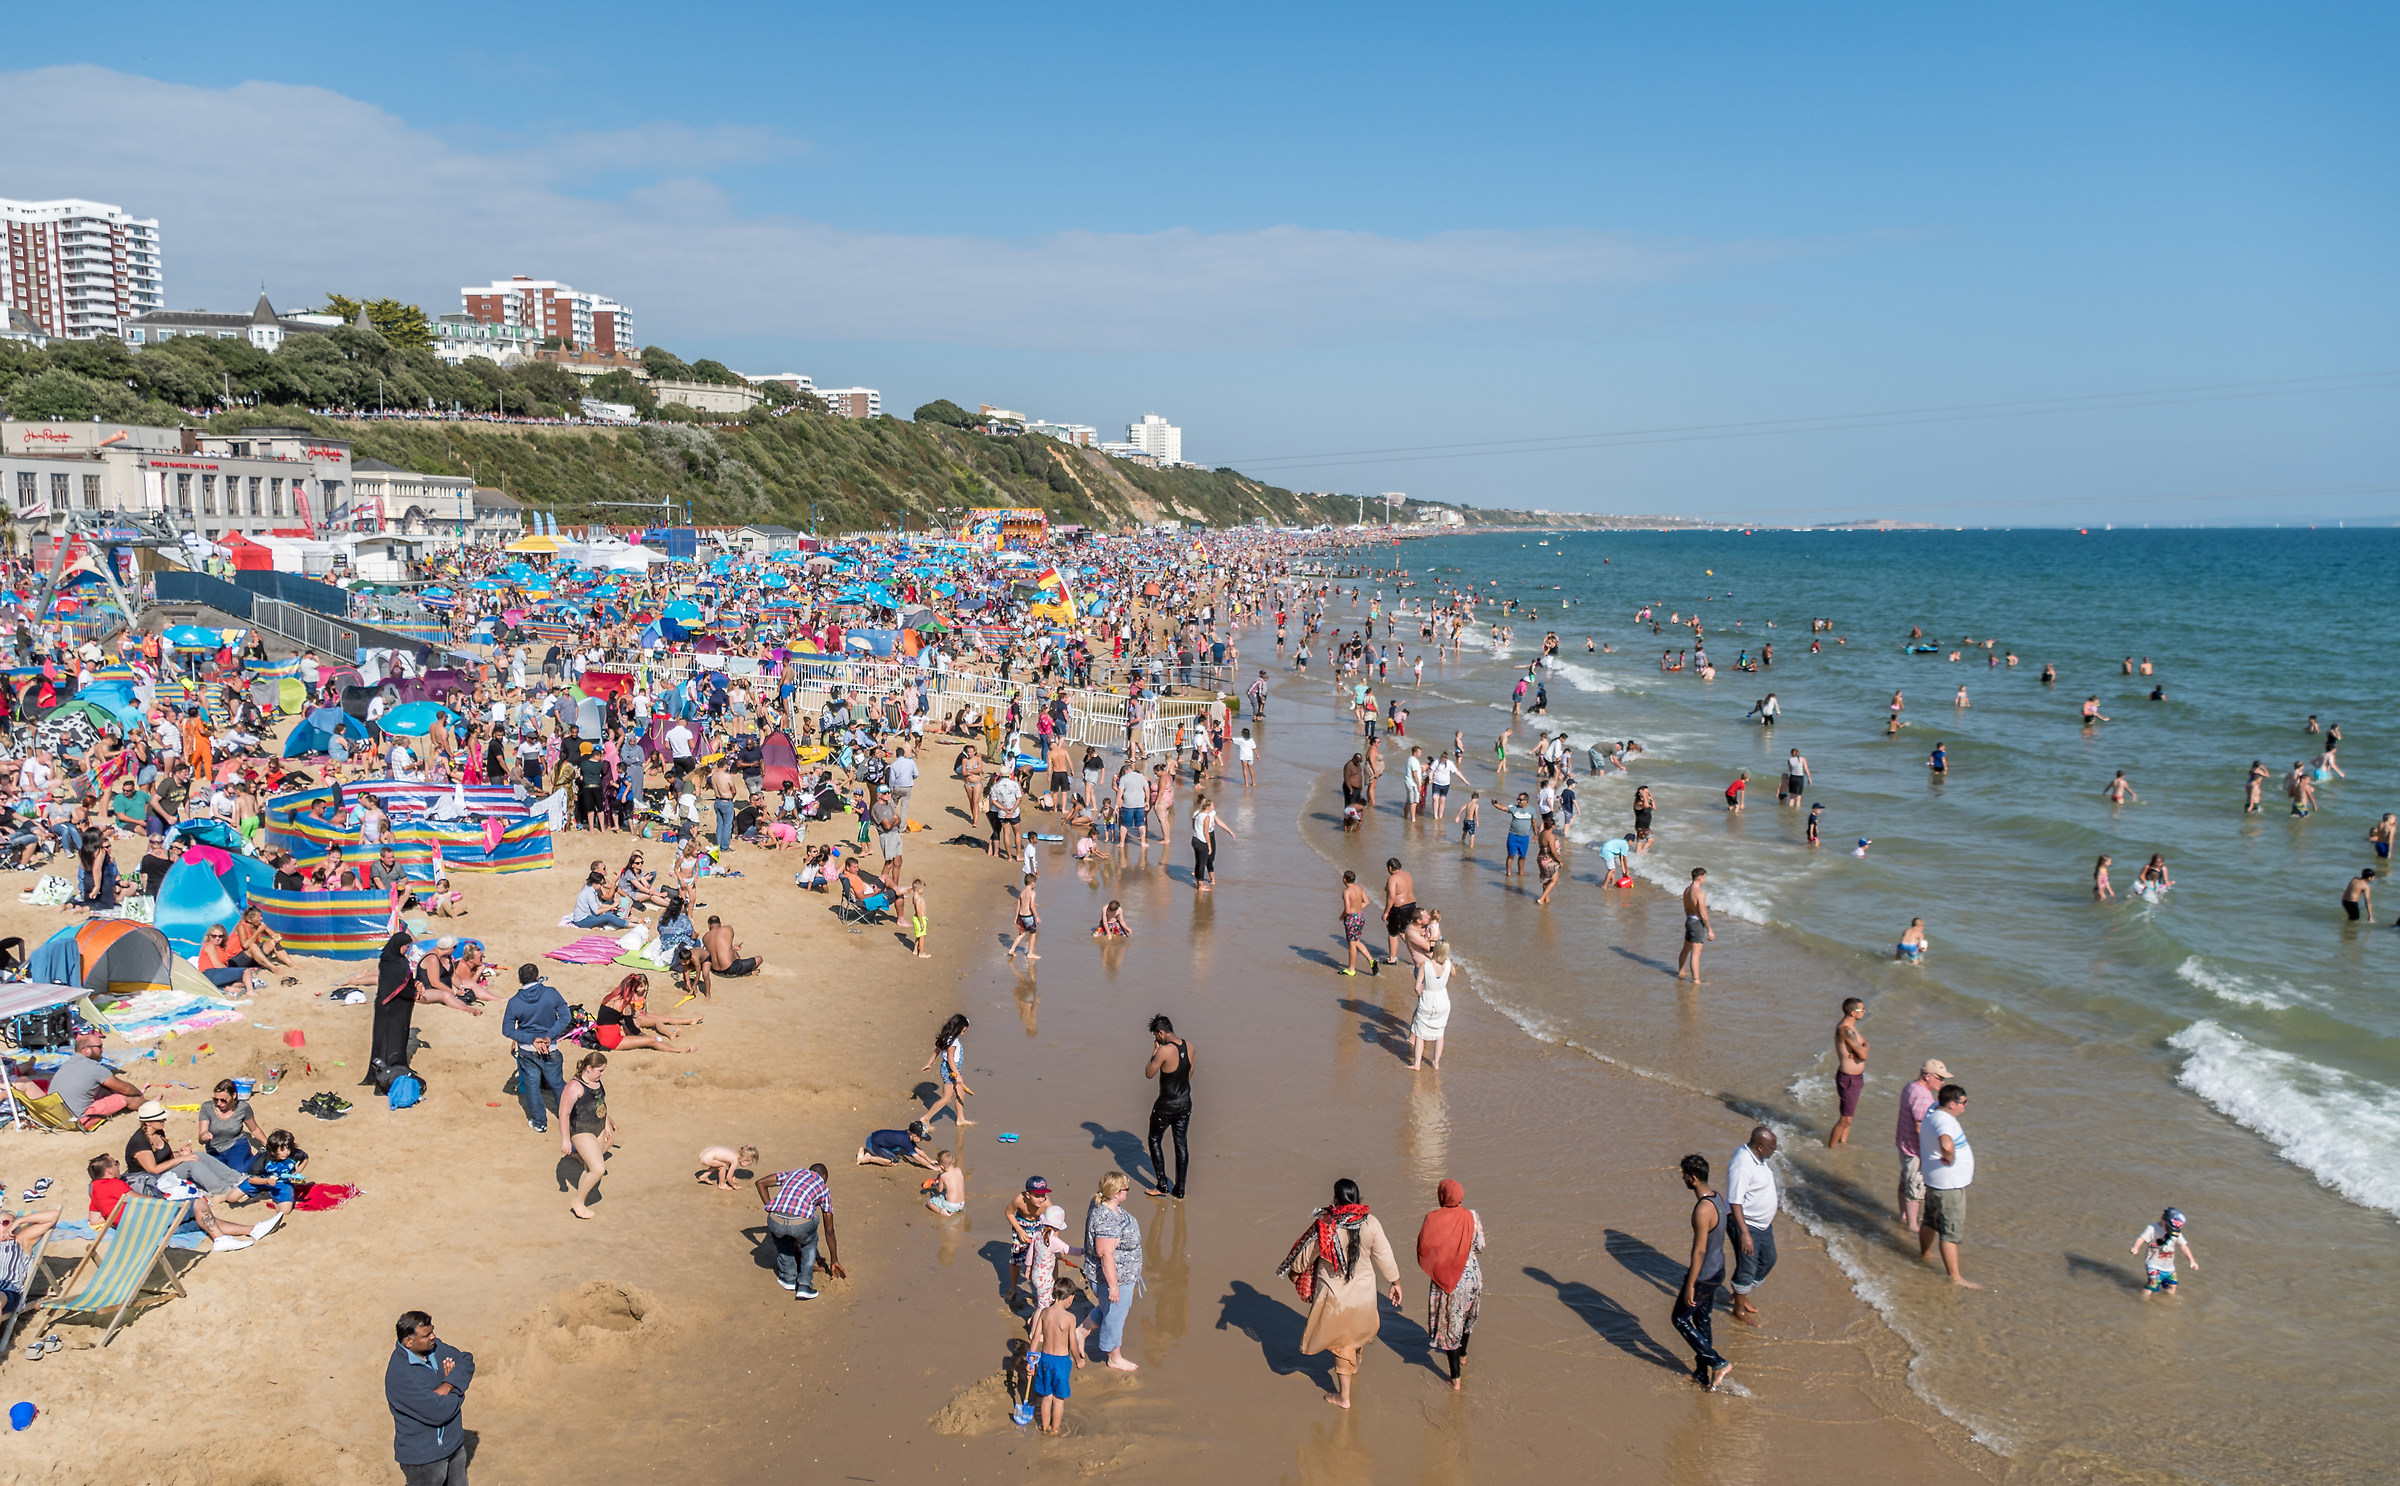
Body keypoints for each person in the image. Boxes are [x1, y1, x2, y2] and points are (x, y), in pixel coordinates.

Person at [1275, 1177, 1401, 1409]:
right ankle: (1355, 1360)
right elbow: (1384, 1254)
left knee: (1342, 1346)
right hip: (1364, 1295)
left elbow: (1306, 1254)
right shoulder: (1371, 1223)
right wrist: (1395, 1281)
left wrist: (1294, 1274)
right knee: (1356, 1334)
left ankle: (1343, 1397)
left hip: (1336, 1298)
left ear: (1336, 1199)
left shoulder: (1327, 1224)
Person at [387, 1310, 475, 1486]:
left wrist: (447, 1385)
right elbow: (439, 1411)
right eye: (427, 1335)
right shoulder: (401, 1376)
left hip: (454, 1447)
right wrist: (456, 1387)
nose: (433, 1336)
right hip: (423, 1459)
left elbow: (466, 1361)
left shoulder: (437, 1348)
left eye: (432, 1330)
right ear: (409, 1342)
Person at [1415, 1178, 1485, 1390]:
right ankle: (1463, 1356)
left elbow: (1424, 1249)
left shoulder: (1432, 1218)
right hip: (1472, 1276)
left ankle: (1455, 1379)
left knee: (1450, 1327)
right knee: (1466, 1318)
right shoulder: (1472, 1216)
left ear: (1441, 1196)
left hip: (1447, 1281)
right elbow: (1480, 1246)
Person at [1672, 1152, 1733, 1390]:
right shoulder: (1718, 1198)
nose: (1684, 1179)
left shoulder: (1702, 1210)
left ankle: (1718, 1362)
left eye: (1685, 1175)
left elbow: (1699, 1251)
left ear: (1694, 1178)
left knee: (1679, 1319)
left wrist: (1690, 1283)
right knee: (1702, 1319)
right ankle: (1701, 1373)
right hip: (1718, 1269)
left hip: (1704, 1275)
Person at [1077, 1171, 1145, 1372]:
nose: (1127, 1193)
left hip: (1123, 1274)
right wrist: (1114, 1286)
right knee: (1115, 1316)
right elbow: (1105, 1254)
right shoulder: (1106, 1219)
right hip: (1114, 1279)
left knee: (1109, 1309)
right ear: (1116, 1193)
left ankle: (1081, 1331)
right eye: (1126, 1189)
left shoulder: (1102, 1204)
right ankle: (1114, 1357)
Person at [1917, 1082, 1981, 1288]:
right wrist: (1950, 1157)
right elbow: (1946, 1143)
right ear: (1952, 1104)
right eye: (1964, 1102)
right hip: (1949, 1187)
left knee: (1930, 1221)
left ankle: (1925, 1254)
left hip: (1935, 1182)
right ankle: (1955, 1278)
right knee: (1949, 1232)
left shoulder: (1933, 1110)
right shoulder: (1945, 1122)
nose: (1966, 1106)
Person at [756, 1160, 843, 1298]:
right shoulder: (823, 1187)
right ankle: (804, 1284)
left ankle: (788, 1278)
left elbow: (760, 1183)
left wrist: (771, 1208)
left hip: (774, 1221)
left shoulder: (794, 1173)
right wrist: (834, 1260)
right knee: (809, 1241)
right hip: (799, 1225)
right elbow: (829, 1231)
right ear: (824, 1177)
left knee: (782, 1238)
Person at [502, 964, 571, 1133]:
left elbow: (507, 1030)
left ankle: (540, 1123)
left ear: (519, 980)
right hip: (550, 1048)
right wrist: (549, 1036)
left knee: (532, 1087)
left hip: (527, 1050)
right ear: (538, 976)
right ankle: (569, 1119)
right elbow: (565, 1017)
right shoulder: (551, 993)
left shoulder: (514, 1002)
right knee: (557, 1084)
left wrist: (532, 1040)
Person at [1725, 1125, 1779, 1325]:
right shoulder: (1742, 1164)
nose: (1774, 1151)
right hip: (1746, 1224)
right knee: (1747, 1266)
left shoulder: (1758, 1158)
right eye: (1772, 1148)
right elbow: (1735, 1201)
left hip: (1762, 1224)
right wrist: (1745, 1233)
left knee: (1769, 1259)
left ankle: (1741, 1291)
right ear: (1760, 1146)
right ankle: (1738, 1310)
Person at [1143, 1015, 1193, 1198]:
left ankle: (1162, 1185)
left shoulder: (1164, 1051)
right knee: (1181, 1144)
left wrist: (1155, 1052)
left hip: (1166, 1104)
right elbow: (1189, 1073)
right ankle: (1180, 1190)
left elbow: (1149, 1073)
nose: (1156, 1040)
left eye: (1156, 1036)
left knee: (1154, 1139)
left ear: (1161, 1032)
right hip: (1185, 1102)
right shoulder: (1189, 1046)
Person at [50, 1029, 146, 1124]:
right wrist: (139, 1093)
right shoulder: (94, 1068)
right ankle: (149, 1105)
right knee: (124, 1098)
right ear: (87, 1050)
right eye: (99, 1047)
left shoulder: (67, 1065)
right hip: (79, 1120)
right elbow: (126, 1089)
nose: (102, 1050)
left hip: (55, 1117)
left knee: (100, 1090)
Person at [560, 1052, 614, 1220]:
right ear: (588, 1068)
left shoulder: (596, 1082)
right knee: (598, 1169)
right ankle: (578, 1202)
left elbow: (600, 1103)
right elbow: (564, 1114)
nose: (602, 1074)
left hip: (597, 1129)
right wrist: (566, 1140)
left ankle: (582, 1196)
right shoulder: (574, 1087)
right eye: (600, 1070)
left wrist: (606, 1124)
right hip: (582, 1131)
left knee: (589, 1168)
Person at [594, 974, 697, 1053]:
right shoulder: (625, 1005)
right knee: (651, 1041)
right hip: (611, 1040)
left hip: (601, 1034)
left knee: (641, 1025)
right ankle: (680, 1050)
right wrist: (645, 1037)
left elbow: (608, 1019)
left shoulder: (610, 997)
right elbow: (632, 1028)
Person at [368, 929, 418, 1090]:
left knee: (398, 1038)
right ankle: (384, 1075)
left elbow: (407, 979)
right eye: (405, 947)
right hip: (388, 1008)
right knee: (384, 1041)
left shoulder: (400, 961)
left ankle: (398, 1068)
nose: (407, 950)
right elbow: (397, 986)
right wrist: (414, 993)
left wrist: (416, 984)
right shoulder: (389, 962)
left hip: (400, 1007)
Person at [1029, 1278, 1080, 1433]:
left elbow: (1036, 1337)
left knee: (1046, 1397)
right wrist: (1079, 1359)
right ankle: (1055, 1429)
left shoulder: (1045, 1313)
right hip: (1061, 1362)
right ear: (1070, 1298)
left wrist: (1031, 1360)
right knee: (1058, 1400)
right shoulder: (1070, 1318)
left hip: (1045, 1359)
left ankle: (1044, 1428)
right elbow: (1073, 1344)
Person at [196, 1078, 266, 1177]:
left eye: (223, 1100)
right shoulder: (207, 1108)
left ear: (233, 1096)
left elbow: (254, 1129)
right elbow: (201, 1136)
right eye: (216, 1099)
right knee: (218, 1177)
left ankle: (261, 1156)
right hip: (214, 1149)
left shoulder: (243, 1107)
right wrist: (204, 1136)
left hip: (236, 1144)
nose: (219, 1103)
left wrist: (269, 1144)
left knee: (237, 1174)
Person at [2131, 1206, 2198, 1299]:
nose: (2173, 1231)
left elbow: (2183, 1245)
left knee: (2173, 1285)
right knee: (2151, 1285)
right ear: (2163, 1219)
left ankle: (2168, 1300)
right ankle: (2143, 1301)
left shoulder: (2175, 1233)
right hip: (2153, 1264)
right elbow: (2141, 1238)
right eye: (2171, 1228)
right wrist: (2136, 1247)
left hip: (2169, 1266)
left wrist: (2192, 1260)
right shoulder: (2152, 1229)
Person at [921, 1013, 975, 1127]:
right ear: (957, 1029)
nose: (963, 1033)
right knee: (947, 1098)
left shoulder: (946, 1036)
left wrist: (929, 1064)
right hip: (951, 1071)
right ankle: (925, 1119)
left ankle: (960, 1119)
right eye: (963, 1031)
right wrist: (958, 1075)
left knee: (960, 1093)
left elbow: (936, 1051)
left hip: (952, 1069)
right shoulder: (953, 1042)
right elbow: (951, 1060)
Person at [1830, 998, 1869, 1147]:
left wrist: (1860, 1050)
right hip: (1849, 1079)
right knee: (1845, 1119)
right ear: (1853, 1013)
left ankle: (1843, 1143)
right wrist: (1860, 1051)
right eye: (1862, 1010)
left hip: (1856, 1078)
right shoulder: (1845, 1030)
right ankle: (1831, 1148)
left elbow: (1866, 1046)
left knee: (1849, 1118)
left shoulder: (1852, 1027)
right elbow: (1864, 1055)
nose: (1864, 1012)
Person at [1409, 942, 1454, 1071]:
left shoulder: (1426, 965)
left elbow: (1417, 987)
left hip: (1428, 999)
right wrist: (1448, 960)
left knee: (1420, 1034)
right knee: (1440, 1034)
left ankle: (1417, 1064)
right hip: (1443, 1001)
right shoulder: (1448, 965)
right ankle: (1436, 1063)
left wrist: (1421, 995)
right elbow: (1454, 973)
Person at [1678, 867, 1714, 984]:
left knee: (1685, 949)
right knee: (1695, 954)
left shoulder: (1687, 891)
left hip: (1689, 920)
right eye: (1704, 878)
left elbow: (1686, 908)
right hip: (1697, 923)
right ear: (1700, 878)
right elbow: (1703, 914)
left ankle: (1681, 972)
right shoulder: (1699, 893)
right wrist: (1710, 929)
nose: (1704, 880)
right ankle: (1696, 980)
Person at [1338, 870, 1377, 977]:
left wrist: (1342, 917)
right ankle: (1371, 960)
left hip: (1351, 918)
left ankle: (1351, 968)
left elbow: (1347, 910)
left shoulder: (1346, 892)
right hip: (1360, 916)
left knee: (1351, 944)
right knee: (1356, 941)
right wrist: (1359, 909)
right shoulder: (1359, 888)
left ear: (1344, 879)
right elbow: (1367, 901)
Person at [856, 1120, 938, 1168]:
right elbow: (918, 1158)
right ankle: (869, 1158)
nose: (922, 1140)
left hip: (871, 1137)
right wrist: (932, 1168)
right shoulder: (905, 1141)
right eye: (921, 1138)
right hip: (873, 1145)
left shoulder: (907, 1134)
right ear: (914, 1135)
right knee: (894, 1162)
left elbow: (917, 1150)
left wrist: (929, 1160)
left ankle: (865, 1151)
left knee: (896, 1148)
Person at [1007, 873, 1041, 962]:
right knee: (1033, 934)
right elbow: (1032, 906)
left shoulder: (1022, 892)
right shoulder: (1032, 893)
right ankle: (1030, 953)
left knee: (1021, 934)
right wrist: (1037, 917)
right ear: (1032, 883)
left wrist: (1016, 917)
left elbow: (1018, 904)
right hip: (1028, 917)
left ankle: (1012, 949)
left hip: (1021, 916)